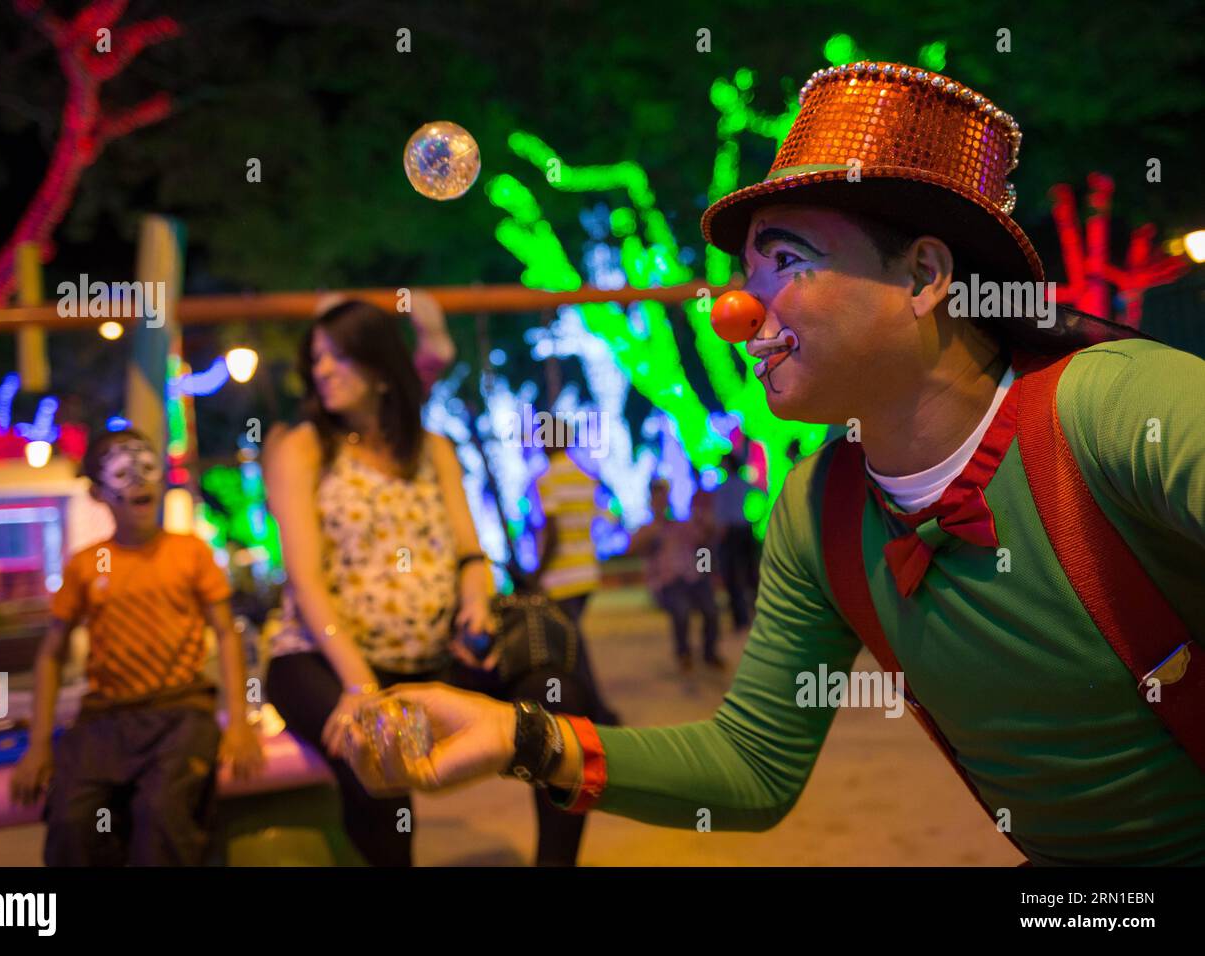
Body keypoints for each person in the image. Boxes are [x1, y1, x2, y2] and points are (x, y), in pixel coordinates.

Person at [335, 61, 1205, 866]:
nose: (739, 309)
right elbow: (751, 765)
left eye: (788, 260)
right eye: (746, 273)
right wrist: (517, 736)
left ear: (925, 276)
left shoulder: (1119, 410)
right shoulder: (819, 506)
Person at [263, 297, 593, 866]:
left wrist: (475, 605)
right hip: (323, 656)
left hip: (434, 652)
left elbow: (470, 553)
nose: (322, 371)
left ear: (382, 368)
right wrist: (363, 689)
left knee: (560, 710)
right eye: (317, 359)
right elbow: (306, 581)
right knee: (374, 751)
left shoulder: (432, 448)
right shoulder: (303, 448)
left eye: (339, 357)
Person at [10, 428, 264, 866]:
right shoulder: (86, 565)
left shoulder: (190, 552)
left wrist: (239, 723)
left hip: (181, 711)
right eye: (122, 473)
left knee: (164, 814)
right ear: (97, 492)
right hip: (105, 718)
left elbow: (226, 633)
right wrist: (38, 745)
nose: (139, 482)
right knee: (73, 822)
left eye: (147, 468)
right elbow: (50, 654)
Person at [535, 438, 620, 725]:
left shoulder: (547, 479)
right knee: (572, 644)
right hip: (586, 571)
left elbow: (553, 531)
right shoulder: (585, 476)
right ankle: (586, 710)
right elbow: (606, 516)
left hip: (561, 575)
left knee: (572, 649)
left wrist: (537, 573)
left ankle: (595, 713)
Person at [626, 478, 723, 671]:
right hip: (668, 582)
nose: (662, 501)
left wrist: (708, 524)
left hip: (693, 577)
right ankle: (683, 654)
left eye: (664, 496)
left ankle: (709, 653)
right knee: (681, 610)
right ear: (652, 500)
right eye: (658, 497)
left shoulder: (681, 525)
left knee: (711, 610)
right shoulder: (647, 529)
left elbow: (705, 538)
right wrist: (654, 532)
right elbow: (631, 549)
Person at [712, 452, 759, 631]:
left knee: (732, 577)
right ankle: (758, 616)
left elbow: (721, 517)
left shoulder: (723, 488)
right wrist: (757, 519)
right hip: (745, 531)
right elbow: (763, 492)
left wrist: (718, 538)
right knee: (750, 576)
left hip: (731, 534)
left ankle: (741, 620)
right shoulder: (742, 483)